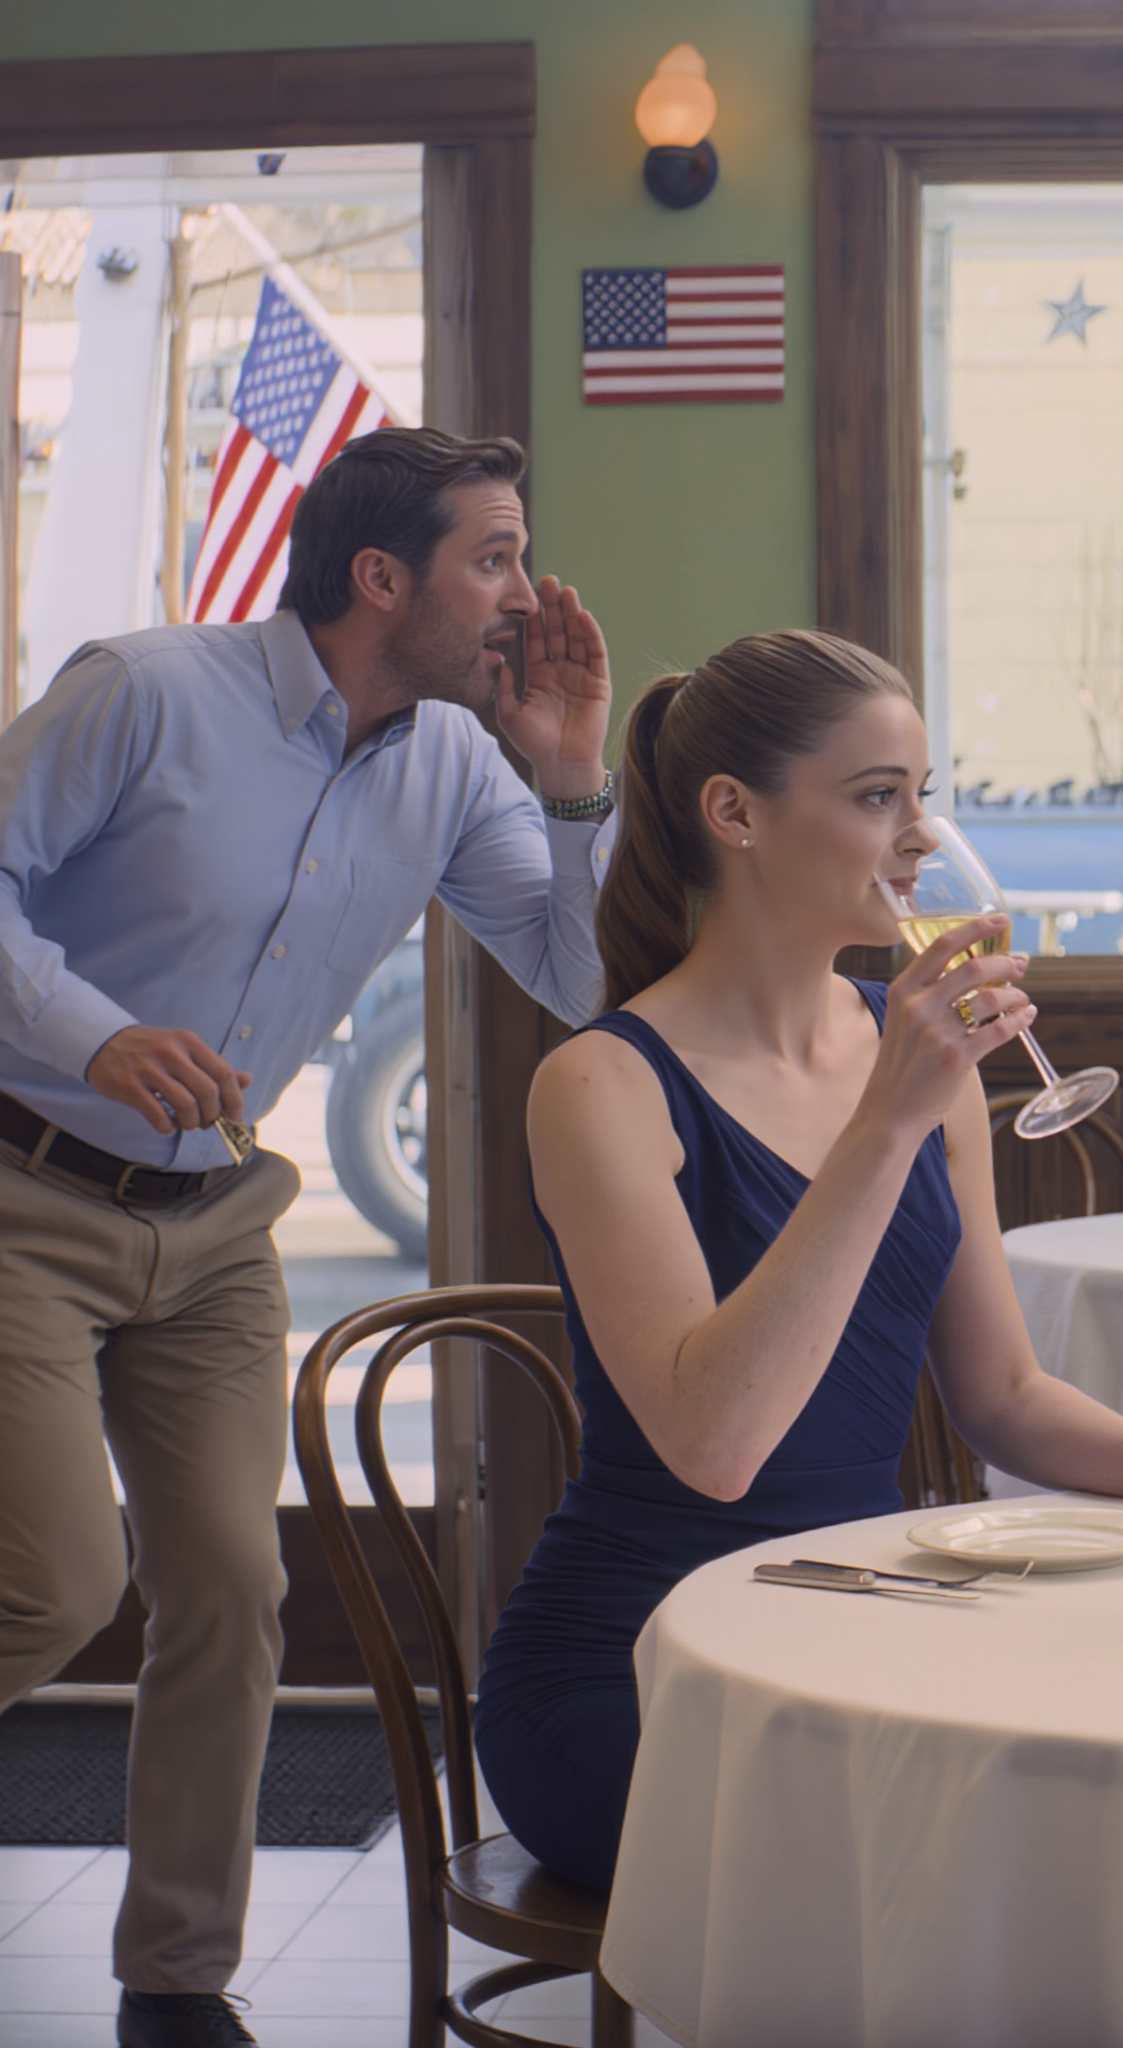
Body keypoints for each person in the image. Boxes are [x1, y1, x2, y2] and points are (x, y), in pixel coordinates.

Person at [471, 629, 1123, 1892]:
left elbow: (998, 1395)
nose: (922, 838)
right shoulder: (602, 1083)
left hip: (861, 1616)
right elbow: (716, 1445)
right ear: (735, 813)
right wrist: (885, 1120)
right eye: (876, 796)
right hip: (641, 1661)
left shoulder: (910, 1053)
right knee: (1008, 1841)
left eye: (923, 795)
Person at [0, 427, 613, 2048]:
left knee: (232, 1585)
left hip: (213, 1223)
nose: (524, 593)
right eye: (493, 556)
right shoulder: (145, 689)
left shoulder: (460, 763)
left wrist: (569, 770)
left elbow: (583, 981)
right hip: (20, 1187)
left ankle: (176, 1980)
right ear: (379, 576)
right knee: (58, 1577)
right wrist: (92, 1031)